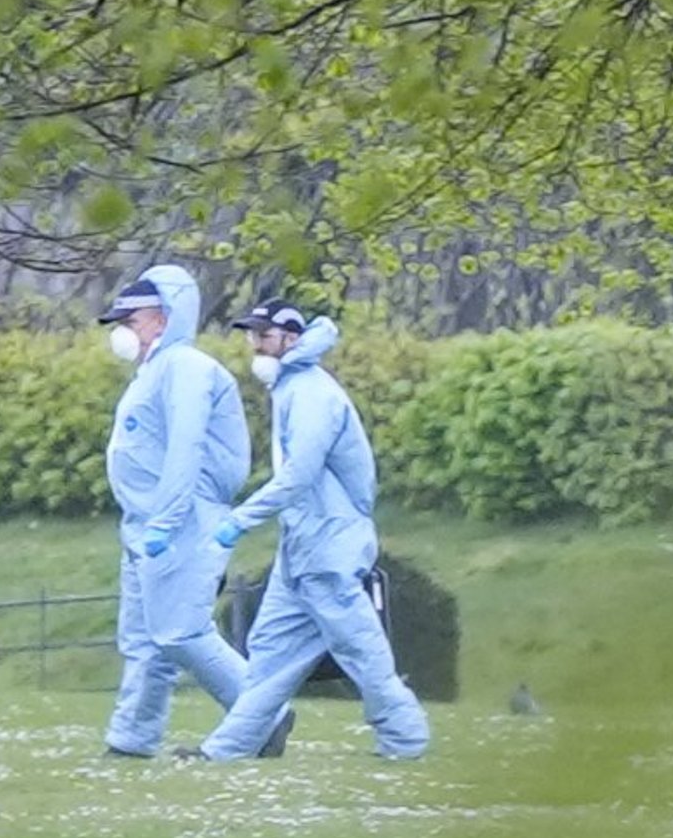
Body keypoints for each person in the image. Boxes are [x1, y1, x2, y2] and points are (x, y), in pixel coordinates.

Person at [194, 299, 430, 761]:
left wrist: (237, 521)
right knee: (268, 653)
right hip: (303, 545)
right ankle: (229, 748)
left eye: (263, 335)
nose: (255, 345)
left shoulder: (312, 394)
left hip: (330, 544)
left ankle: (406, 738)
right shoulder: (291, 387)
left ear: (292, 338)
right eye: (251, 335)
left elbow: (299, 474)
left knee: (360, 648)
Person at [99, 265, 291, 759]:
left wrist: (164, 522)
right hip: (146, 524)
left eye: (132, 320)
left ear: (163, 318)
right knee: (145, 638)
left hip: (183, 521)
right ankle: (132, 739)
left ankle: (261, 715)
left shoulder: (185, 368)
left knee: (180, 630)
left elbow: (185, 447)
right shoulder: (157, 371)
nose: (124, 332)